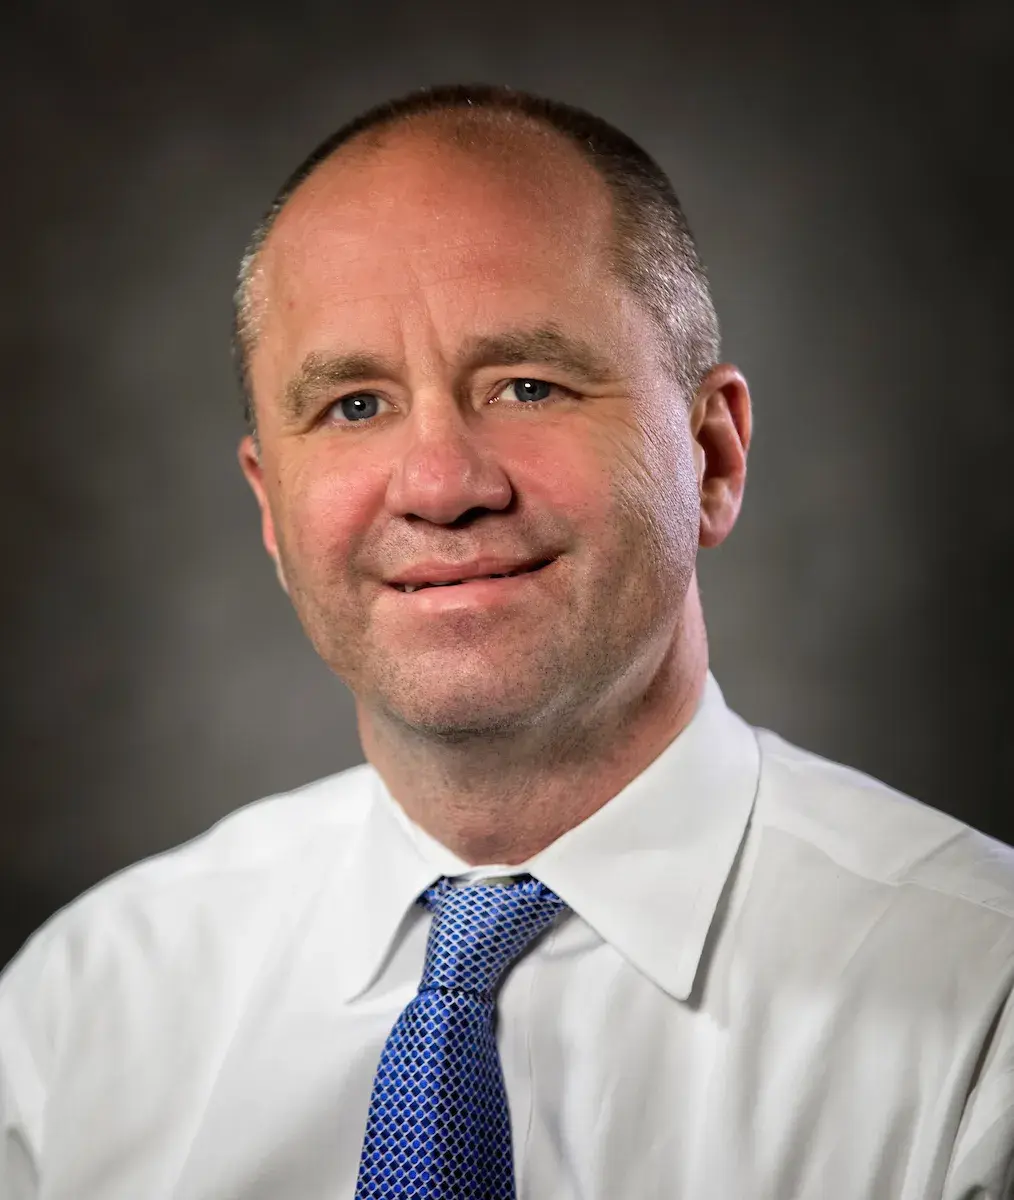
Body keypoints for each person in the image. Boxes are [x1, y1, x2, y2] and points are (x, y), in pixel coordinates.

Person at [1, 84, 1012, 1200]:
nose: (441, 486)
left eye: (529, 385)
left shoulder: (982, 1011)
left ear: (713, 458)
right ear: (270, 511)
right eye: (353, 405)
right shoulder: (78, 1014)